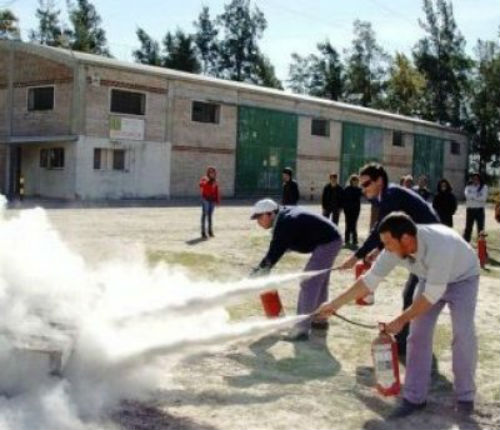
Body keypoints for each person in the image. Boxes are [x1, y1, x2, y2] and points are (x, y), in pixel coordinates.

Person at [317, 213, 479, 418]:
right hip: (429, 279)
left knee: (463, 335)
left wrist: (401, 320)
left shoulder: (439, 247)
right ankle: (414, 397)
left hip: (464, 279)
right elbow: (369, 281)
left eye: (388, 243)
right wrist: (334, 304)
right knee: (417, 335)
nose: (385, 248)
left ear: (405, 238)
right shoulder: (393, 250)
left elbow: (431, 296)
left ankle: (465, 397)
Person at [338, 163, 439, 357]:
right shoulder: (385, 196)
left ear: (379, 181)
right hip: (416, 246)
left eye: (366, 184)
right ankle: (407, 341)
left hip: (430, 249)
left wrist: (356, 256)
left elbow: (379, 230)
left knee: (414, 296)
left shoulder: (391, 195)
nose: (363, 189)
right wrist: (378, 249)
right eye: (361, 185)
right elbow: (388, 229)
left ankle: (408, 344)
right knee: (410, 294)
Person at [250, 198, 342, 341]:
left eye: (259, 217)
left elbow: (275, 251)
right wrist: (261, 269)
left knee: (309, 282)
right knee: (319, 282)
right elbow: (280, 245)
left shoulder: (285, 222)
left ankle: (301, 329)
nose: (258, 222)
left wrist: (260, 271)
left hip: (328, 242)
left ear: (270, 214)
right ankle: (320, 320)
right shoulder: (283, 217)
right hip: (330, 238)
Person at [463, 173, 488, 242]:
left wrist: (472, 196)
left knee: (480, 229)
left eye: (477, 179)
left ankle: (481, 245)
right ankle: (466, 242)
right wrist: (477, 196)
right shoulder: (468, 187)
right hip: (470, 210)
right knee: (468, 228)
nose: (475, 180)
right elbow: (467, 196)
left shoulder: (484, 187)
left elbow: (483, 198)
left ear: (479, 179)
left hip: (479, 210)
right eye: (474, 179)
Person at [199, 166, 220, 239]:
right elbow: (201, 185)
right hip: (205, 199)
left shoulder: (215, 181)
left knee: (210, 215)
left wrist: (217, 201)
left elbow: (216, 191)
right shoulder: (204, 179)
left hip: (212, 200)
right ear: (208, 173)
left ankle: (210, 231)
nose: (212, 174)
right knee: (205, 214)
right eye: (210, 172)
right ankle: (203, 232)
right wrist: (207, 181)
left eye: (213, 172)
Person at [343, 174, 363, 247]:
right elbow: (343, 199)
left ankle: (354, 240)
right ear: (351, 181)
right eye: (354, 180)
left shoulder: (359, 190)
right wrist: (344, 208)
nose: (355, 182)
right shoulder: (347, 189)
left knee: (354, 224)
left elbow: (365, 194)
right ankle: (347, 240)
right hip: (347, 210)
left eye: (356, 181)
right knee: (348, 224)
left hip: (356, 210)